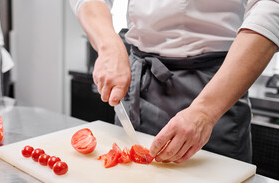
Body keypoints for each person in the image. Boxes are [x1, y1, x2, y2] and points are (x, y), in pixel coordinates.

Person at [70, 0, 279, 163]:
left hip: (217, 87)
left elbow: (270, 7)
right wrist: (108, 44)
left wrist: (206, 111)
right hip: (138, 83)